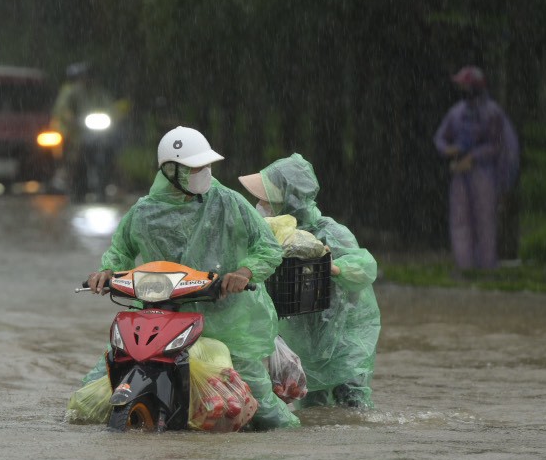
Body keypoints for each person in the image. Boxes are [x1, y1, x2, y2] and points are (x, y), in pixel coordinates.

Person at [86, 126, 300, 429]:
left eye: (205, 166)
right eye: (195, 167)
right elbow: (120, 251)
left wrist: (243, 272)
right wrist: (106, 272)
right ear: (170, 170)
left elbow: (266, 247)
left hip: (226, 318)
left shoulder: (228, 202)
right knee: (92, 392)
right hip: (162, 316)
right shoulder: (144, 211)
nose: (204, 172)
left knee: (267, 412)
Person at [241, 154, 380, 409]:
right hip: (307, 341)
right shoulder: (275, 237)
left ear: (290, 200)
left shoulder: (329, 232)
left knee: (352, 407)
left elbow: (366, 267)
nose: (259, 204)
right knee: (314, 412)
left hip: (343, 340)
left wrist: (336, 268)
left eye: (265, 199)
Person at [432, 66, 518, 272]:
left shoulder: (492, 112)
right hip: (460, 173)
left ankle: (486, 267)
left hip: (483, 172)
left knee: (484, 219)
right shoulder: (457, 112)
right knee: (460, 219)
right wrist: (450, 150)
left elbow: (497, 145)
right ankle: (465, 266)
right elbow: (440, 138)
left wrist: (473, 157)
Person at [51, 62, 115, 198]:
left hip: (97, 133)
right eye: (86, 76)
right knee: (75, 159)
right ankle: (75, 187)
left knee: (111, 151)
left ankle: (105, 185)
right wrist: (72, 119)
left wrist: (113, 116)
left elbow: (110, 108)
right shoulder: (71, 92)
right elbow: (63, 109)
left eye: (92, 77)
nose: (89, 79)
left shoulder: (100, 93)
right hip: (77, 133)